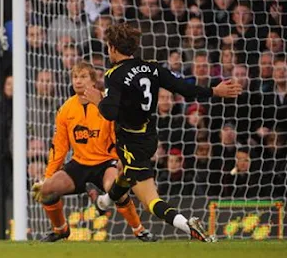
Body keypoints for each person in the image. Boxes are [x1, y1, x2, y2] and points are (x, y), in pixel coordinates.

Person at [86, 23, 242, 242]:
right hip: (150, 137)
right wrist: (215, 91)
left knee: (150, 201)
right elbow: (182, 87)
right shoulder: (152, 67)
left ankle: (188, 226)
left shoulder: (114, 75)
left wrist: (98, 100)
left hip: (132, 143)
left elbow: (109, 113)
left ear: (112, 48)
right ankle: (104, 202)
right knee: (125, 173)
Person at [31, 61, 155, 242]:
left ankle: (139, 229)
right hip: (79, 164)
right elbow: (59, 146)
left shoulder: (106, 103)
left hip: (106, 163)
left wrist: (122, 158)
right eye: (75, 77)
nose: (78, 81)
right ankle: (61, 229)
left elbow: (119, 134)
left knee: (116, 189)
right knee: (47, 190)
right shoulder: (66, 109)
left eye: (83, 77)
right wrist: (48, 176)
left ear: (94, 81)